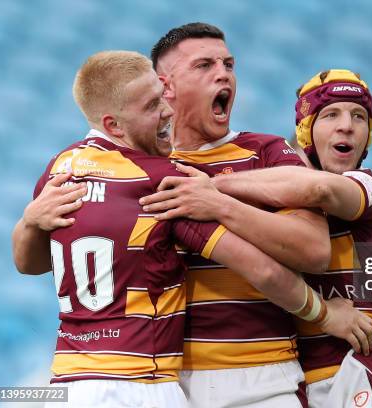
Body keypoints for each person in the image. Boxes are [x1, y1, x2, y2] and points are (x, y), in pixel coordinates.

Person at [11, 53, 372, 407]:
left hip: (68, 381)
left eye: (359, 117)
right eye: (153, 105)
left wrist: (29, 220)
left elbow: (27, 263)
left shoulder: (61, 168)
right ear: (114, 125)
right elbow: (278, 252)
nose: (168, 110)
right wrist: (327, 314)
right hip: (144, 382)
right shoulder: (160, 182)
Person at [141, 69, 372, 407]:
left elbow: (317, 188)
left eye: (359, 117)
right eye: (331, 114)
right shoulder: (277, 208)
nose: (347, 125)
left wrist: (211, 188)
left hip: (359, 369)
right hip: (296, 381)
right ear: (305, 131)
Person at [146, 22, 353, 407]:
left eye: (228, 64)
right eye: (204, 65)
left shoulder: (268, 153)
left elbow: (313, 250)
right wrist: (32, 222)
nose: (223, 73)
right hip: (162, 382)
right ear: (165, 86)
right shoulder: (137, 165)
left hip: (263, 379)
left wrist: (220, 203)